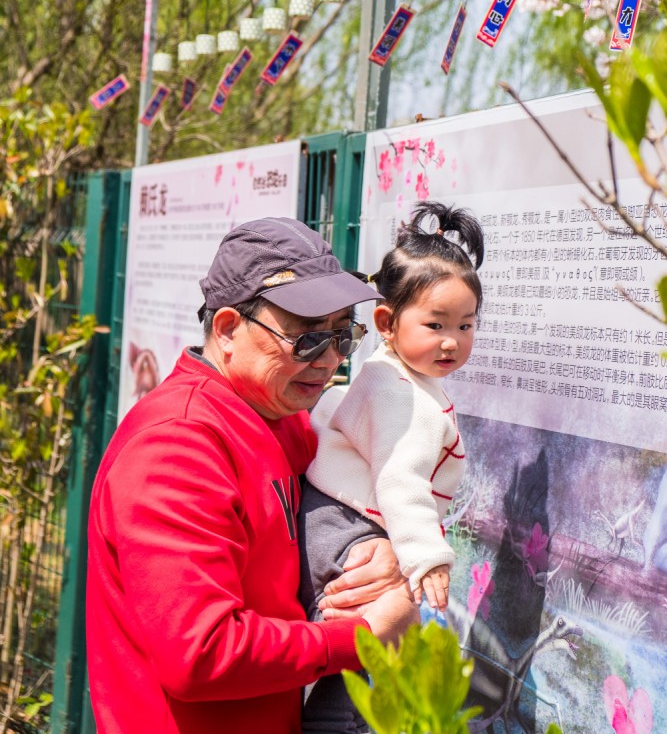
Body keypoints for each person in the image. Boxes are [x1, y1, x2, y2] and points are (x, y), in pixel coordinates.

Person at [86, 217, 419, 734]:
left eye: (341, 335)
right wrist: (362, 636)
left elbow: (354, 500)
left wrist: (384, 551)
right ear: (227, 329)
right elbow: (201, 654)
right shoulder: (178, 444)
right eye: (306, 339)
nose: (329, 358)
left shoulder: (280, 417)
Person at [299, 201, 484, 732]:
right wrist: (427, 558)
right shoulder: (406, 400)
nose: (452, 340)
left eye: (466, 325)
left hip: (331, 519)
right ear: (385, 321)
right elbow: (401, 478)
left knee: (352, 646)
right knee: (369, 649)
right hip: (352, 528)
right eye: (435, 324)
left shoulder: (384, 374)